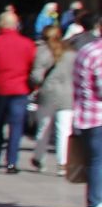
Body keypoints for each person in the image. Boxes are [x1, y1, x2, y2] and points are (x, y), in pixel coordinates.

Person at [0, 11, 38, 173]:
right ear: (16, 25)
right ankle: (12, 162)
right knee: (16, 126)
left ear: (0, 25)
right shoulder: (28, 44)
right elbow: (34, 69)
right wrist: (31, 88)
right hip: (20, 90)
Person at [28, 27, 75, 173]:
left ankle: (39, 158)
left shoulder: (42, 53)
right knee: (64, 130)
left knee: (43, 128)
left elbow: (36, 76)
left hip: (47, 94)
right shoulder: (72, 53)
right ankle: (63, 163)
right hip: (67, 94)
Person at [71, 27, 102, 207]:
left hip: (86, 114)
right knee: (98, 160)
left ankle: (94, 201)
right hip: (99, 115)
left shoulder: (86, 50)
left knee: (94, 160)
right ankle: (95, 203)